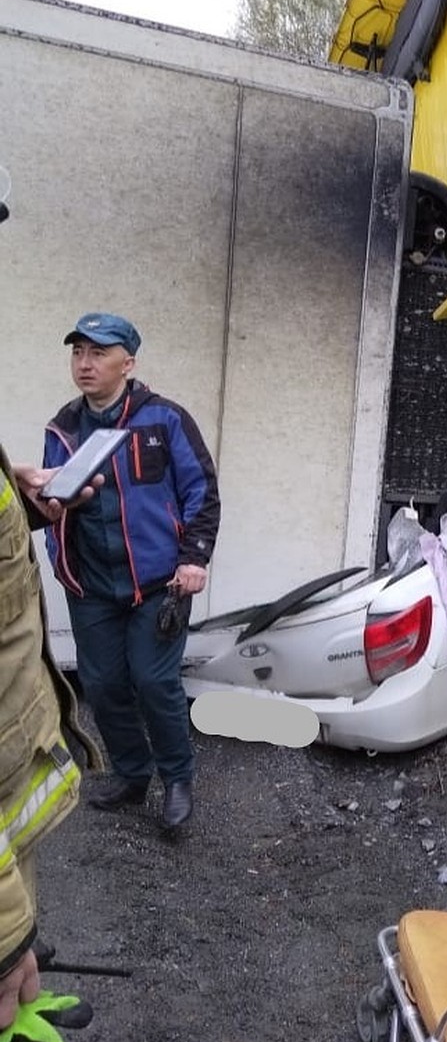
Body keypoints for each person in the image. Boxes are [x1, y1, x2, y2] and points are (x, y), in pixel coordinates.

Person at [44, 313, 220, 831]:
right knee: (101, 685)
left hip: (158, 582)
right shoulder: (64, 426)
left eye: (98, 353)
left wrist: (194, 557)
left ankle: (178, 780)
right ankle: (132, 774)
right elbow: (53, 496)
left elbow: (201, 492)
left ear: (129, 362)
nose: (85, 363)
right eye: (78, 352)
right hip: (92, 584)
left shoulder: (163, 420)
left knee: (153, 680)